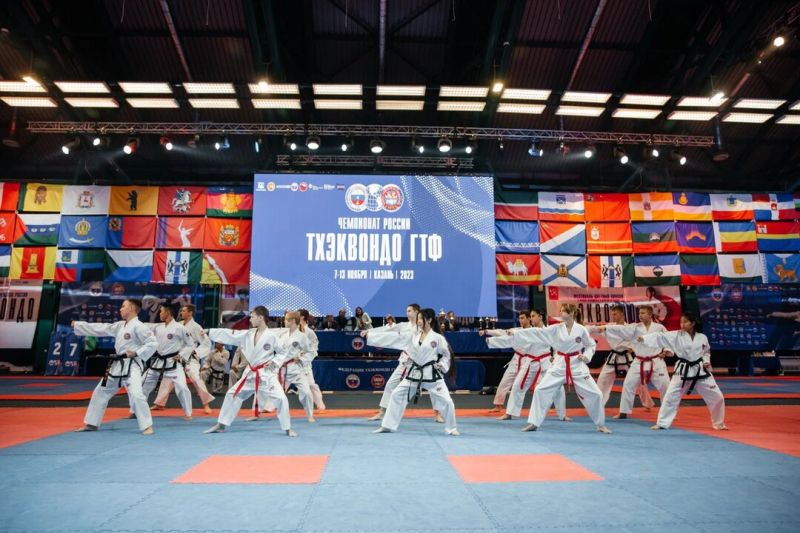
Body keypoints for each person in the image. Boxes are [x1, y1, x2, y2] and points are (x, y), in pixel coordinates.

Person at [511, 304, 611, 433]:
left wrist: (586, 356)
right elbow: (537, 332)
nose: (561, 313)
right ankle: (534, 423)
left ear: (571, 314)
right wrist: (516, 333)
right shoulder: (557, 328)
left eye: (563, 311)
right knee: (540, 390)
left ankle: (600, 424)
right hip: (559, 363)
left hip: (577, 364)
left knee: (596, 394)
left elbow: (591, 345)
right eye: (561, 311)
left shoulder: (581, 329)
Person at [203, 306, 296, 436]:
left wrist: (274, 362)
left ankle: (287, 428)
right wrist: (209, 332)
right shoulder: (249, 334)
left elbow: (283, 352)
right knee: (231, 394)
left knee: (281, 398)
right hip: (251, 374)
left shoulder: (272, 336)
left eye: (252, 316)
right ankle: (221, 424)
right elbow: (231, 334)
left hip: (266, 375)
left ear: (260, 318)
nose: (250, 319)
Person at [366, 308, 459, 436]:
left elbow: (447, 355)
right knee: (396, 394)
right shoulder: (413, 335)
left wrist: (441, 365)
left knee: (447, 401)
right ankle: (388, 426)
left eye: (421, 319)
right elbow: (394, 338)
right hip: (415, 373)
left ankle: (451, 428)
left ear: (429, 320)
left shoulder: (437, 338)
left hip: (431, 373)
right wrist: (371, 335)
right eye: (418, 318)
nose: (418, 321)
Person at [72, 298, 157, 435]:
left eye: (123, 306)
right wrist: (79, 325)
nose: (120, 309)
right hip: (117, 365)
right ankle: (92, 423)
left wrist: (136, 352)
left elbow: (152, 343)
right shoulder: (120, 325)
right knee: (100, 391)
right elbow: (101, 328)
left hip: (132, 365)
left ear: (132, 308)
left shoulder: (139, 326)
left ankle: (147, 426)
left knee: (136, 394)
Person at [640, 314, 727, 431]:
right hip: (683, 370)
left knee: (717, 397)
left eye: (685, 322)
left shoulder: (702, 337)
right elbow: (661, 336)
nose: (682, 324)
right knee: (670, 396)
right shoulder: (676, 335)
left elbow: (706, 352)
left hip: (700, 370)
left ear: (693, 323)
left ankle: (719, 424)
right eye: (681, 322)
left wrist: (706, 361)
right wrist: (645, 338)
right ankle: (662, 423)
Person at [590, 305, 672, 419]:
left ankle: (667, 412)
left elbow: (668, 339)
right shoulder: (634, 327)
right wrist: (605, 328)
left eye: (643, 313)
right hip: (638, 361)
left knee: (665, 386)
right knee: (628, 385)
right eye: (639, 313)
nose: (640, 315)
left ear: (650, 314)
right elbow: (620, 329)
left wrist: (666, 351)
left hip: (656, 361)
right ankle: (623, 412)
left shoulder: (659, 327)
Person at [488, 310, 569, 422]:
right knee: (517, 386)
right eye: (530, 316)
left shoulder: (549, 330)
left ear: (540, 317)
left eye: (533, 316)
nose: (531, 318)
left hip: (546, 361)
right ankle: (510, 413)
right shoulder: (529, 331)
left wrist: (555, 358)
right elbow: (512, 340)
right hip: (531, 362)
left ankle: (562, 415)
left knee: (558, 387)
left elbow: (557, 347)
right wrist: (491, 341)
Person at [135, 304, 194, 420]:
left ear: (168, 312)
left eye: (161, 311)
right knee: (142, 383)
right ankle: (136, 410)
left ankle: (188, 413)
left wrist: (181, 355)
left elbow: (190, 344)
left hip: (173, 362)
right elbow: (145, 325)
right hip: (159, 361)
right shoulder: (158, 327)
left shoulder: (179, 328)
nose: (160, 314)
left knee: (182, 387)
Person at [152, 304, 214, 414]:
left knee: (196, 378)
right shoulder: (178, 325)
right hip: (176, 356)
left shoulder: (196, 327)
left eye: (184, 311)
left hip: (190, 358)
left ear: (190, 313)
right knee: (167, 379)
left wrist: (196, 352)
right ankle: (159, 403)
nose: (181, 313)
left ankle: (206, 404)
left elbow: (206, 343)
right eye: (181, 311)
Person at [364, 303, 420, 421]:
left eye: (409, 311)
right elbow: (386, 329)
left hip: (420, 363)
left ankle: (438, 413)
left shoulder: (422, 326)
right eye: (406, 311)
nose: (407, 313)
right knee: (390, 384)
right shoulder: (403, 325)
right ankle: (382, 412)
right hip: (405, 362)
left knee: (433, 387)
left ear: (416, 312)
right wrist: (370, 332)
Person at [274, 311, 316, 422]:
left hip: (296, 369)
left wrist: (301, 359)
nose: (284, 321)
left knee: (306, 393)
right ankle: (265, 412)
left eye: (286, 320)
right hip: (282, 369)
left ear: (292, 321)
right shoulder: (282, 335)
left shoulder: (302, 336)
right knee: (272, 392)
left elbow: (312, 352)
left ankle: (310, 415)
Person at [481, 319, 522, 413]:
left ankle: (547, 405)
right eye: (520, 318)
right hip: (517, 358)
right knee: (505, 381)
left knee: (542, 385)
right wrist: (487, 331)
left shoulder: (534, 331)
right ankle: (498, 405)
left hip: (533, 360)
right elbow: (502, 332)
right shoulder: (516, 330)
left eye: (523, 318)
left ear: (529, 319)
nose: (521, 320)